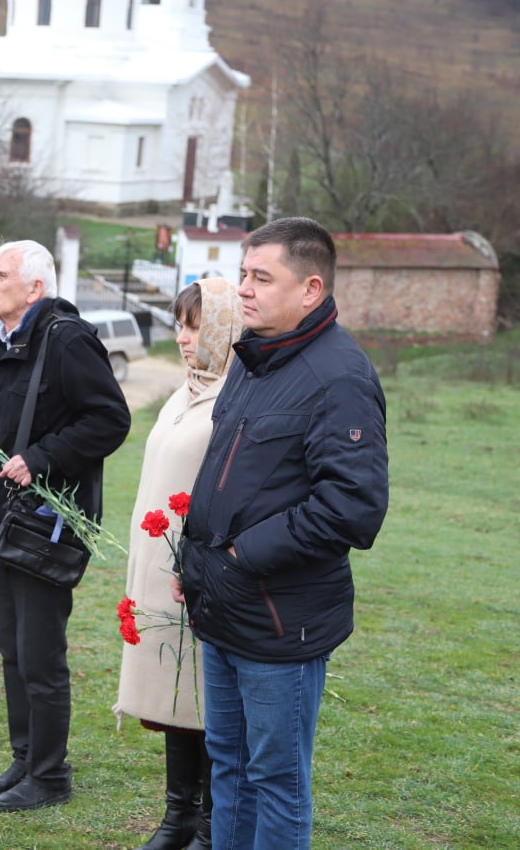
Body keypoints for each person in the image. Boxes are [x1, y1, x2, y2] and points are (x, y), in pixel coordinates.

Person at [174, 217, 389, 848]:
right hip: (223, 607)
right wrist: (199, 564)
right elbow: (227, 479)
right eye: (244, 273)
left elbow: (353, 506)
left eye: (262, 277)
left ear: (310, 289)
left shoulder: (339, 377)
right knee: (229, 765)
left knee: (275, 778)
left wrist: (242, 557)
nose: (244, 289)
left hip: (279, 620)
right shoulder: (251, 359)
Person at [0, 239, 131, 812]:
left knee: (41, 654)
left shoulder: (68, 340)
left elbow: (111, 419)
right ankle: (25, 759)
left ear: (35, 288)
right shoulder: (1, 344)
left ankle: (50, 776)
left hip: (45, 525)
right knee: (13, 649)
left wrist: (45, 456)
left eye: (0, 275)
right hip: (2, 521)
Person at [115, 278, 244, 850]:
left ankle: (213, 827)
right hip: (160, 574)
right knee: (173, 691)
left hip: (202, 576)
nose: (184, 338)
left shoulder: (235, 399)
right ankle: (178, 816)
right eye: (180, 325)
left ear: (223, 327)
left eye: (195, 326)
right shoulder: (183, 391)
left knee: (206, 698)